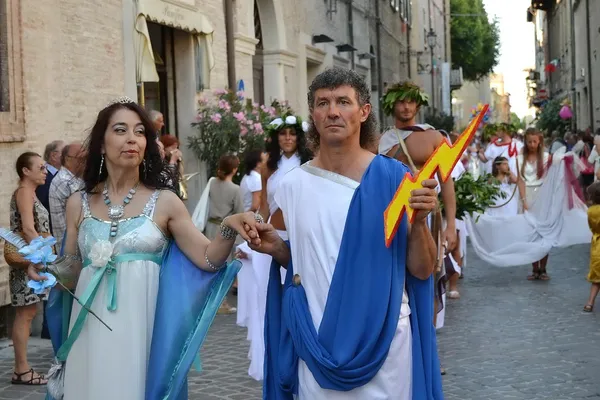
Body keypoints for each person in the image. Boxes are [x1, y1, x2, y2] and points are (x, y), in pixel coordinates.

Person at [28, 97, 257, 399]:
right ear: (101, 143)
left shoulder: (165, 202)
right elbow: (70, 270)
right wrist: (45, 269)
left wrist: (229, 225)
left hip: (142, 332)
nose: (132, 139)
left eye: (140, 132)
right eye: (121, 130)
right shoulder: (77, 204)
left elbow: (208, 259)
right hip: (89, 332)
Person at [245, 68, 443, 399]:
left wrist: (420, 223)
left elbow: (422, 269)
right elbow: (311, 257)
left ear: (364, 112)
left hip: (386, 342)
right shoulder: (292, 186)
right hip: (317, 343)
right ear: (313, 114)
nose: (333, 111)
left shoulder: (396, 179)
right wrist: (279, 248)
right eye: (323, 103)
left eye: (343, 102)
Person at [378, 81, 457, 252]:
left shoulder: (434, 137)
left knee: (424, 269)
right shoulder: (381, 141)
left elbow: (446, 182)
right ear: (392, 105)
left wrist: (450, 225)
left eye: (411, 101)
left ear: (418, 105)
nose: (406, 107)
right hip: (391, 212)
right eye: (401, 102)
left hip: (424, 212)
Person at [8, 152, 51, 386]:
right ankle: (22, 369)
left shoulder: (30, 193)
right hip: (28, 261)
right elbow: (27, 228)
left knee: (28, 313)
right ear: (26, 171)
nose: (45, 171)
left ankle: (20, 369)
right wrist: (42, 255)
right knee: (25, 314)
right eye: (41, 167)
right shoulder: (24, 192)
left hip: (30, 259)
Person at [204, 154, 244, 314]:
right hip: (225, 229)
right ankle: (222, 302)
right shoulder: (235, 189)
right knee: (223, 266)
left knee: (208, 264)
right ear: (234, 170)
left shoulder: (212, 182)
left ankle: (207, 301)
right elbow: (240, 212)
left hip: (209, 227)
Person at [518, 129, 551, 280]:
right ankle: (534, 268)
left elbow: (550, 179)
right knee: (530, 234)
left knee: (543, 233)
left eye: (534, 141)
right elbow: (520, 180)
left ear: (539, 142)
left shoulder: (545, 157)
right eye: (529, 141)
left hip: (542, 194)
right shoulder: (520, 158)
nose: (532, 144)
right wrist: (524, 200)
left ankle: (543, 268)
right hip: (527, 195)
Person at [584, 181, 600, 312]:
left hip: (597, 244)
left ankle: (590, 303)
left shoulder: (591, 211)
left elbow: (592, 227)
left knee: (596, 278)